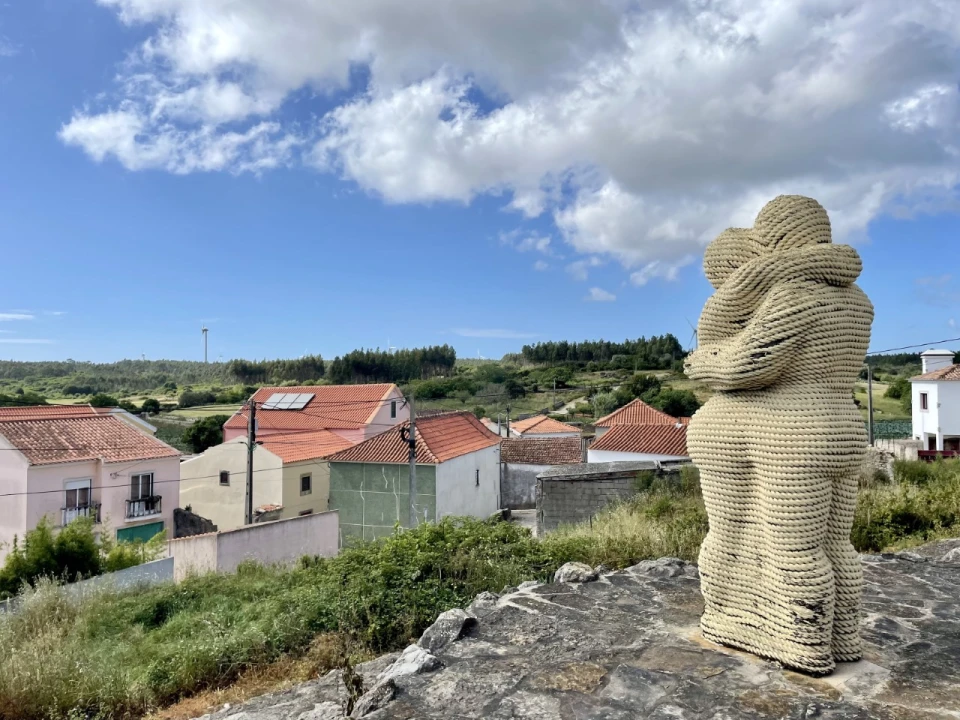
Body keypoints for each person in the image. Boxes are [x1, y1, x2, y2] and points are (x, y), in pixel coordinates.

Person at [685, 195, 873, 675]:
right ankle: (842, 637)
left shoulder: (793, 295)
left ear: (779, 237)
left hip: (788, 436)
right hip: (837, 428)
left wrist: (702, 363)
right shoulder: (857, 299)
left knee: (784, 546)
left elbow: (747, 363)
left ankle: (800, 642)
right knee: (832, 545)